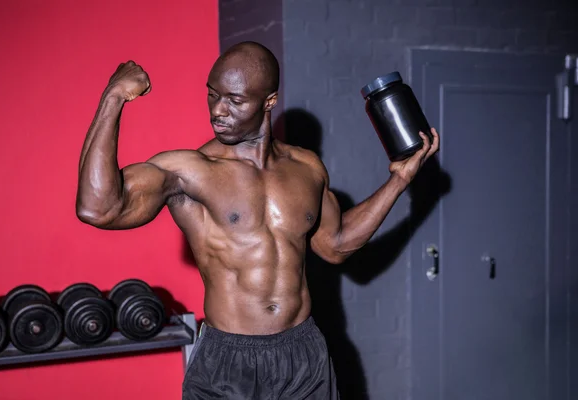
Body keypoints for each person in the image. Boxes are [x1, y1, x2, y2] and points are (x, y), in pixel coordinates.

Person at [76, 41, 439, 399]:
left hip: (303, 355)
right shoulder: (190, 171)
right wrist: (113, 98)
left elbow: (336, 245)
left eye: (234, 101)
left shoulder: (306, 167)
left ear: (269, 101)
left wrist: (400, 180)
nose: (218, 111)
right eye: (212, 95)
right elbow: (99, 208)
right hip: (228, 361)